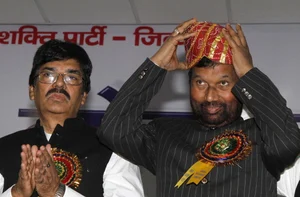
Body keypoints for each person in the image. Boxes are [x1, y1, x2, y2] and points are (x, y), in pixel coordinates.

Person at [97, 18, 300, 197]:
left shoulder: (263, 134)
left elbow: (289, 143)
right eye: (200, 83)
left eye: (223, 83)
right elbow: (114, 130)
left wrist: (248, 71)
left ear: (240, 85)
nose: (210, 96)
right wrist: (157, 65)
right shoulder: (165, 133)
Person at [0, 39, 144, 197]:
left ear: (83, 96)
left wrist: (58, 192)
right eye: (48, 75)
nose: (59, 84)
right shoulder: (4, 148)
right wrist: (16, 193)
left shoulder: (113, 149)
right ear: (32, 91)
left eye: (71, 78)